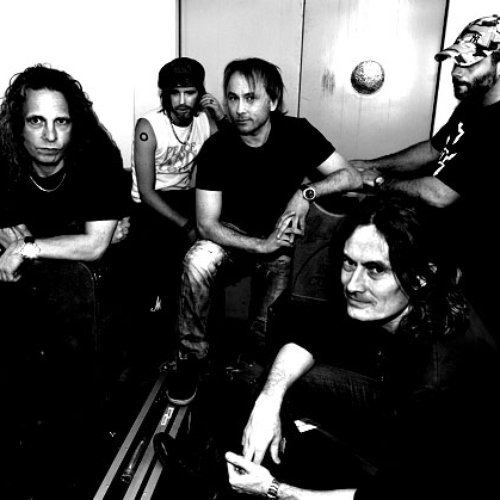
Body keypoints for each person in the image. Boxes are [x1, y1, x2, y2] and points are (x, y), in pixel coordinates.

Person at [226, 191, 500, 499]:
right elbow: (311, 334)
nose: (353, 284)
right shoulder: (404, 301)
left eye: (376, 269)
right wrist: (268, 402)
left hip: (440, 465)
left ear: (421, 276)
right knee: (269, 379)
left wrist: (274, 489)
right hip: (395, 400)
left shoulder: (437, 381)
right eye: (348, 263)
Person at [168, 57, 362, 404]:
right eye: (233, 98)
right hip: (232, 236)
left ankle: (252, 366)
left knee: (264, 334)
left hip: (282, 242)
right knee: (197, 260)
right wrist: (260, 245)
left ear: (272, 101)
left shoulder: (298, 133)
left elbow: (351, 176)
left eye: (250, 98)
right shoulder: (217, 148)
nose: (239, 108)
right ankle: (191, 359)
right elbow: (207, 224)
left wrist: (305, 194)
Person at [0, 64, 131, 498]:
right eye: (36, 121)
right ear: (18, 126)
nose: (50, 136)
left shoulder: (96, 153)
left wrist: (27, 246)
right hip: (43, 248)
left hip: (86, 259)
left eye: (62, 122)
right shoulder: (2, 153)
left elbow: (94, 244)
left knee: (74, 283)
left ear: (75, 125)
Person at [350, 14, 500, 338]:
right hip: (448, 250)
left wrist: (377, 182)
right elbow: (434, 149)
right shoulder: (472, 106)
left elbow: (440, 194)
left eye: (470, 63)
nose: (457, 71)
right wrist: (373, 164)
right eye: (456, 61)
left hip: (482, 267)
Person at [129, 57, 225, 318]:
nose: (182, 101)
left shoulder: (205, 121)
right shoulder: (148, 126)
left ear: (200, 94)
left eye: (190, 92)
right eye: (175, 93)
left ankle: (203, 322)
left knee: (213, 248)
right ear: (165, 95)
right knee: (161, 258)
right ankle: (157, 317)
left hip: (183, 197)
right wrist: (186, 226)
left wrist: (220, 116)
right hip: (149, 205)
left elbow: (230, 156)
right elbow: (146, 192)